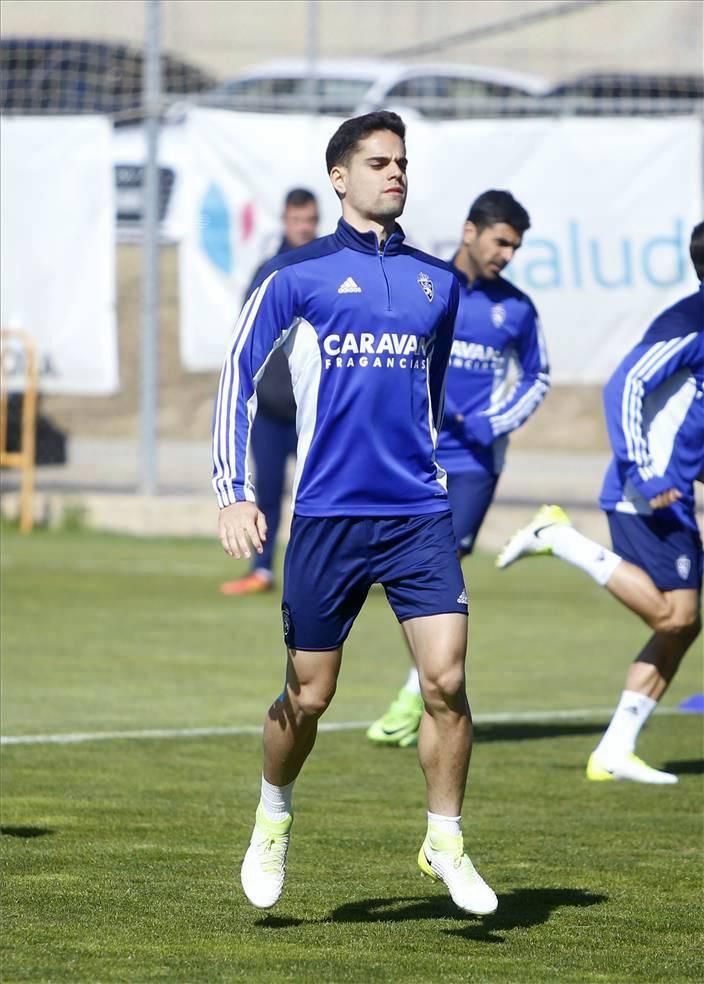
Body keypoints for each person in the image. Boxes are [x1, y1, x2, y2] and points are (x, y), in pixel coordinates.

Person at [212, 111, 497, 915]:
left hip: (416, 513)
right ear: (340, 178)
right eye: (378, 162)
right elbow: (237, 374)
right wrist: (235, 490)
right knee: (309, 697)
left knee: (445, 681)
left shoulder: (438, 282)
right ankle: (273, 814)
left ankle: (445, 838)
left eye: (402, 162)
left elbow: (431, 393)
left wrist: (431, 468)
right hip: (329, 516)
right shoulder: (295, 276)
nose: (395, 173)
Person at [495, 220, 704, 785]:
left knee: (684, 624)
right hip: (646, 491)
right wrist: (646, 467)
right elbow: (625, 386)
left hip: (673, 493)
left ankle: (615, 748)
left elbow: (687, 418)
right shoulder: (692, 322)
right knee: (673, 615)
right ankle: (558, 538)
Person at [367, 190, 550, 748]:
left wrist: (490, 423)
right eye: (500, 242)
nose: (506, 255)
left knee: (441, 564)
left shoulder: (516, 309)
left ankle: (415, 695)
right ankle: (425, 687)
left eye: (515, 247)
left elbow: (537, 377)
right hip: (413, 455)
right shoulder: (428, 285)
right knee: (406, 569)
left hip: (473, 463)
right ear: (470, 231)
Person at [220, 188, 319, 596]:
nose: (304, 227)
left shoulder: (328, 269)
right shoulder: (269, 271)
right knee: (269, 492)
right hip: (272, 410)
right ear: (284, 220)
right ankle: (262, 571)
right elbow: (248, 344)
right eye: (297, 219)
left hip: (314, 410)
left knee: (320, 494)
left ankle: (324, 573)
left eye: (310, 219)